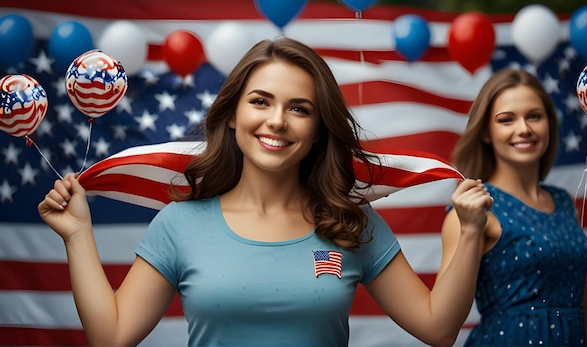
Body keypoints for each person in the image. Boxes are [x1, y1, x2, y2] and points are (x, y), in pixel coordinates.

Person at [38, 37, 493, 347]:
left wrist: (470, 232)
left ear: (317, 130)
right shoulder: (179, 224)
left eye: (299, 108)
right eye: (260, 101)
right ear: (232, 114)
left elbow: (438, 328)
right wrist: (77, 235)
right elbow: (111, 336)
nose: (277, 120)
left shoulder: (353, 223)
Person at [437, 68, 587, 346]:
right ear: (486, 133)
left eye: (534, 116)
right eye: (506, 120)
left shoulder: (563, 201)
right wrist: (468, 228)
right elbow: (442, 321)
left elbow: (578, 291)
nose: (524, 128)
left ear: (549, 123)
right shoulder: (473, 210)